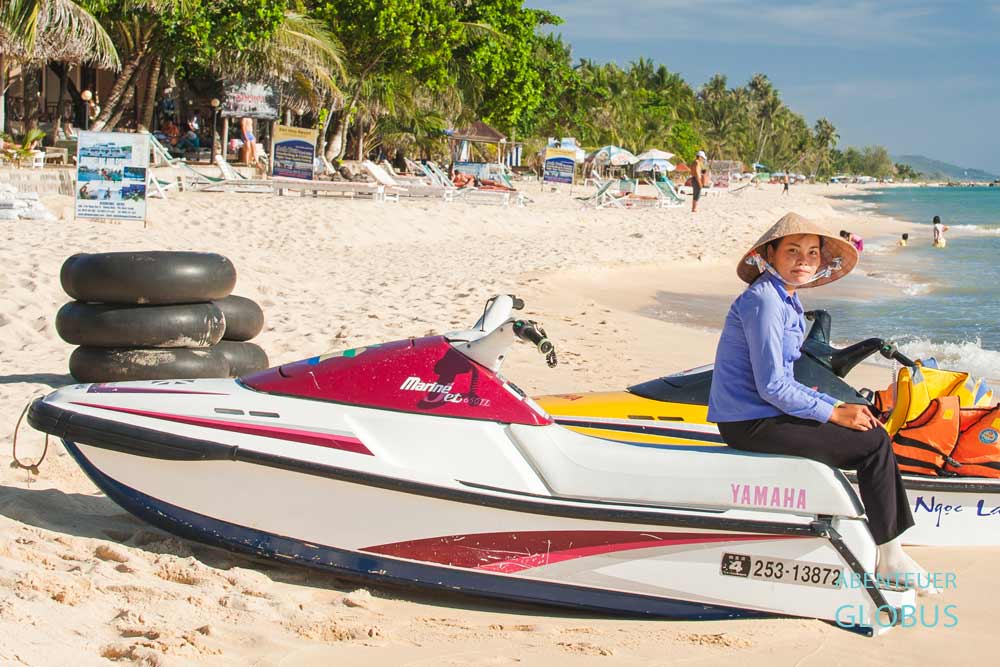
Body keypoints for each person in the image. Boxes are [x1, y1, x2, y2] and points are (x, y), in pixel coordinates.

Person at [707, 212, 936, 593]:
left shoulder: (787, 300)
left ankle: (893, 546)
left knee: (871, 427)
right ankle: (891, 556)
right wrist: (833, 412)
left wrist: (837, 403)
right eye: (792, 250)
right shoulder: (764, 301)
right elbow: (772, 387)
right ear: (770, 254)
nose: (803, 260)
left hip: (765, 412)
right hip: (749, 420)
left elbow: (788, 381)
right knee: (871, 444)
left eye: (812, 253)